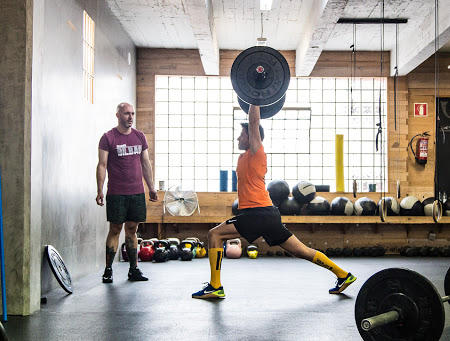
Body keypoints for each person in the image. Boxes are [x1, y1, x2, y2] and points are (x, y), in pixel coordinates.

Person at [192, 104, 356, 299]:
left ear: (252, 137)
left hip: (257, 213)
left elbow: (254, 123)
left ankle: (215, 286)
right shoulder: (242, 158)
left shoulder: (256, 152)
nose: (238, 138)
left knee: (215, 235)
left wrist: (254, 98)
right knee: (301, 251)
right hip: (266, 214)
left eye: (241, 134)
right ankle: (343, 275)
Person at [96, 102, 158, 283]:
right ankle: (108, 270)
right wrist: (99, 189)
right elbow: (102, 164)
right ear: (118, 116)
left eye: (132, 114)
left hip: (136, 192)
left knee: (132, 229)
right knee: (115, 229)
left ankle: (134, 269)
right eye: (126, 114)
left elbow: (146, 164)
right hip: (116, 193)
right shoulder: (108, 138)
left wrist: (151, 187)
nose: (130, 117)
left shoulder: (139, 137)